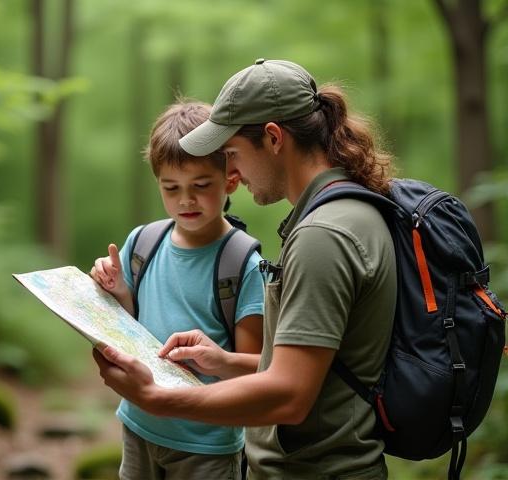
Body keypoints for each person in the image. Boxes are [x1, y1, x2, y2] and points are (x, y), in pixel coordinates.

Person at [93, 59, 398, 479]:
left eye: (232, 153)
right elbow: (298, 369)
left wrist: (158, 399)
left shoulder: (324, 236)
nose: (231, 172)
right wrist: (220, 360)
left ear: (273, 138)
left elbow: (289, 396)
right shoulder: (349, 212)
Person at [90, 100, 265, 480]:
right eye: (171, 188)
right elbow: (130, 321)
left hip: (205, 441)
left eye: (201, 186)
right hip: (138, 421)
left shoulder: (241, 264)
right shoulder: (143, 241)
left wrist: (217, 359)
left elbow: (257, 368)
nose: (185, 200)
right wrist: (117, 289)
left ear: (230, 180)